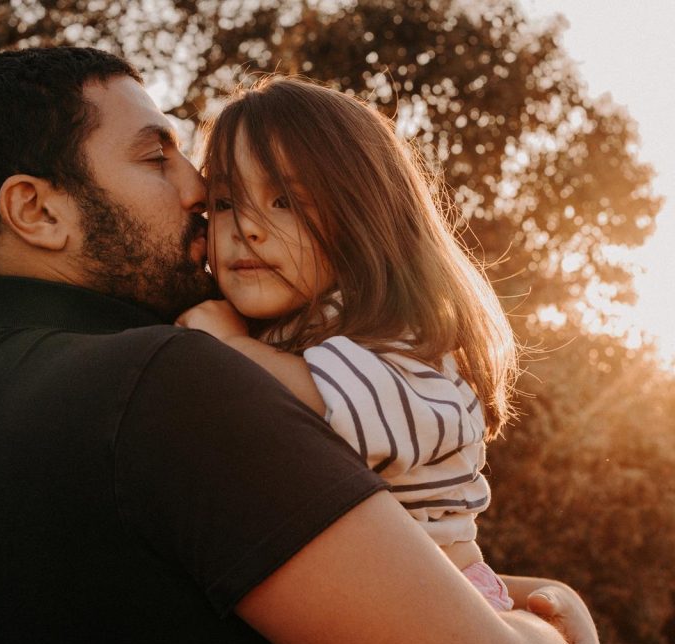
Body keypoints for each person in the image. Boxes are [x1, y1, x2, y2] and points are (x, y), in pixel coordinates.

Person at [0, 46, 604, 644]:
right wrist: (551, 633)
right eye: (157, 157)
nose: (197, 192)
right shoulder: (167, 381)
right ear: (35, 211)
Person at [169, 76, 512, 610]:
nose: (248, 229)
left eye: (284, 200)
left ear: (363, 218)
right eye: (226, 202)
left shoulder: (397, 333)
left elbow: (345, 409)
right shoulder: (258, 324)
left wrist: (232, 348)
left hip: (446, 609)